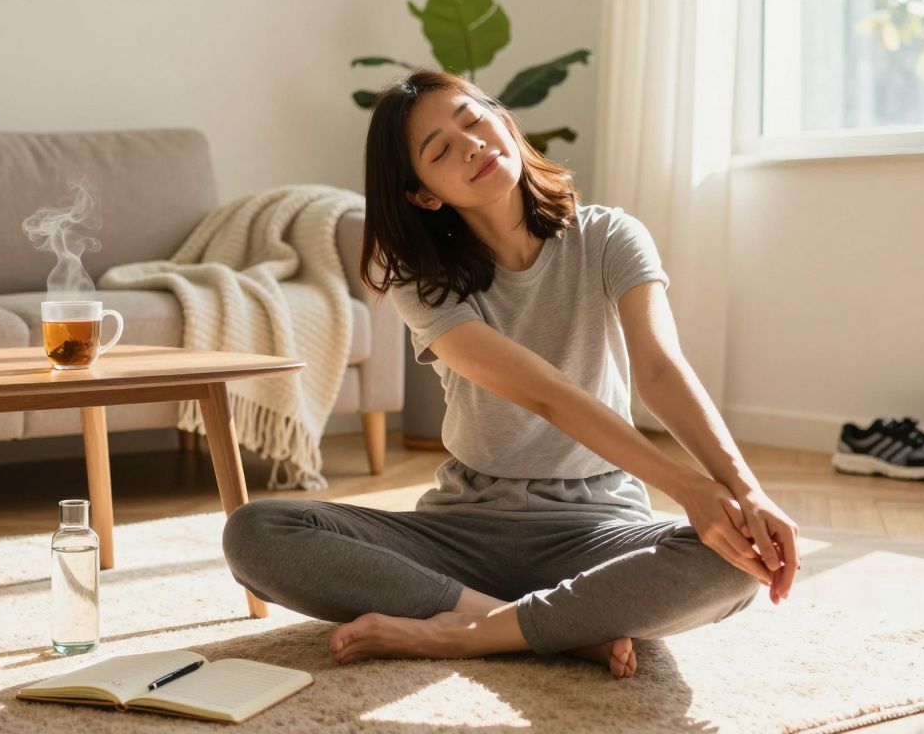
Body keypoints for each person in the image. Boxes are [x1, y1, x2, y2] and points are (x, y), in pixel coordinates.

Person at [222, 69, 801, 679]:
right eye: (440, 149)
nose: (470, 143)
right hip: (462, 533)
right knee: (256, 532)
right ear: (424, 194)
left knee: (736, 563)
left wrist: (743, 491)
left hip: (596, 529)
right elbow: (547, 396)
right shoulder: (424, 281)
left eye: (473, 121)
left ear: (504, 122)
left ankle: (467, 633)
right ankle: (541, 625)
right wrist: (689, 489)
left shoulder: (609, 236)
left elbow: (659, 370)